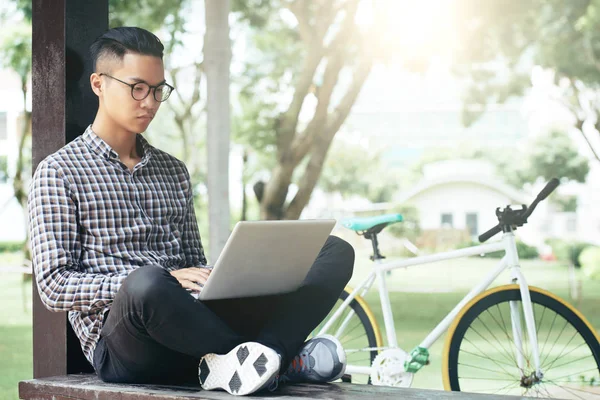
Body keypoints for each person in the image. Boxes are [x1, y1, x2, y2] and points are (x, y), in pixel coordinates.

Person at [27, 27, 355, 396]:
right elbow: (54, 286)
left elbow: (193, 263)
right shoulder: (59, 172)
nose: (149, 102)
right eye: (137, 88)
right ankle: (276, 359)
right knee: (146, 283)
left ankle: (266, 355)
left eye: (158, 90)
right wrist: (162, 278)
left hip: (194, 325)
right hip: (127, 344)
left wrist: (224, 277)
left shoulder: (173, 170)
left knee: (334, 250)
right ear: (99, 84)